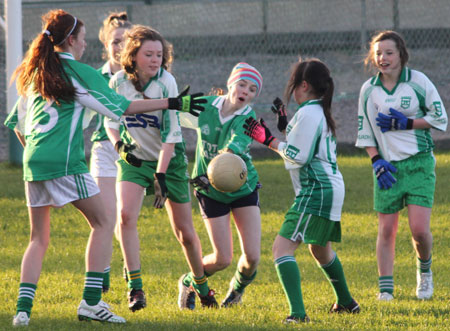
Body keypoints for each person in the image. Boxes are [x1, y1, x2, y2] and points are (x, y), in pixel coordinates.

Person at [4, 10, 205, 326]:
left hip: (34, 163)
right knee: (104, 220)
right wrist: (171, 103)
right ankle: (92, 302)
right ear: (71, 40)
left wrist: (37, 153)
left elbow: (16, 124)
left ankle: (22, 312)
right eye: (83, 39)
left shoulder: (35, 71)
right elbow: (122, 108)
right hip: (65, 162)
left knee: (38, 238)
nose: (85, 46)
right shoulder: (81, 72)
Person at [104, 24, 212, 312]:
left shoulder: (167, 83)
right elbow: (110, 121)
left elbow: (171, 135)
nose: (155, 60)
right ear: (133, 55)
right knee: (125, 216)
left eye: (159, 55)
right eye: (148, 54)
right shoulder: (117, 82)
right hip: (134, 159)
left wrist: (161, 175)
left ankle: (201, 285)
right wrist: (120, 148)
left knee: (184, 232)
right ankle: (135, 289)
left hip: (170, 162)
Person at [244, 58, 359, 324]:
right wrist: (284, 125)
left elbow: (298, 156)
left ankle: (297, 315)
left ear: (304, 85)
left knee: (281, 249)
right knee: (320, 249)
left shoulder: (309, 114)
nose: (292, 89)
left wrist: (268, 140)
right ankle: (346, 302)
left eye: (294, 84)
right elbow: (304, 143)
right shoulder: (315, 110)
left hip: (315, 190)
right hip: (329, 188)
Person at [355, 30, 448, 301]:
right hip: (388, 169)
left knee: (419, 230)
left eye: (389, 52)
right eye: (378, 53)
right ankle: (385, 289)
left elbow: (439, 118)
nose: (383, 58)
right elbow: (365, 132)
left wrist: (405, 122)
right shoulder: (368, 90)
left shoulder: (418, 82)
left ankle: (425, 273)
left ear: (401, 54)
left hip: (419, 164)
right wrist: (377, 161)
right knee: (386, 229)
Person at [179, 62, 263, 308]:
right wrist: (173, 104)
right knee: (222, 259)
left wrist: (220, 165)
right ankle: (189, 280)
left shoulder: (248, 116)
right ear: (230, 83)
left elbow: (235, 145)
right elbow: (173, 116)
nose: (245, 92)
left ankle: (236, 291)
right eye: (242, 85)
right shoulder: (205, 105)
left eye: (252, 90)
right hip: (209, 190)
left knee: (253, 258)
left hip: (242, 188)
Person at [89, 11, 133, 294]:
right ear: (105, 43)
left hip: (132, 151)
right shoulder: (95, 77)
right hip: (104, 148)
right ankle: (102, 269)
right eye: (115, 41)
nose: (120, 46)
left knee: (126, 218)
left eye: (125, 41)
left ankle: (132, 273)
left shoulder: (139, 77)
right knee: (105, 216)